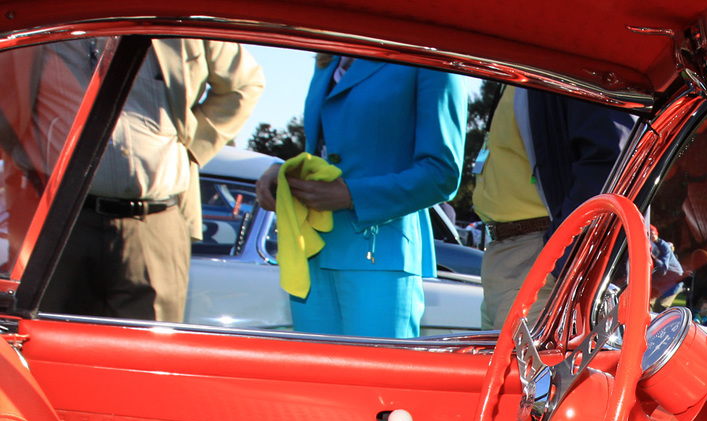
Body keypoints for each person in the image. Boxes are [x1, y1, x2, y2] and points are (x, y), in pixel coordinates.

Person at [39, 40, 264, 322]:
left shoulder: (180, 17)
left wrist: (191, 148)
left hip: (156, 221)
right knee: (52, 351)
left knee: (150, 354)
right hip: (59, 222)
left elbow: (245, 84)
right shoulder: (48, 19)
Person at [256, 55, 467, 339]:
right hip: (312, 254)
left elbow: (442, 173)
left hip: (380, 254)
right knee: (314, 381)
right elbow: (328, 151)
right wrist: (285, 172)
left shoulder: (429, 55)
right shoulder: (327, 58)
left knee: (379, 382)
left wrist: (352, 195)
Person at [473, 87, 636, 330]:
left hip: (540, 259)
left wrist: (561, 260)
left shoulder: (570, 54)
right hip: (511, 258)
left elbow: (611, 161)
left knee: (528, 368)